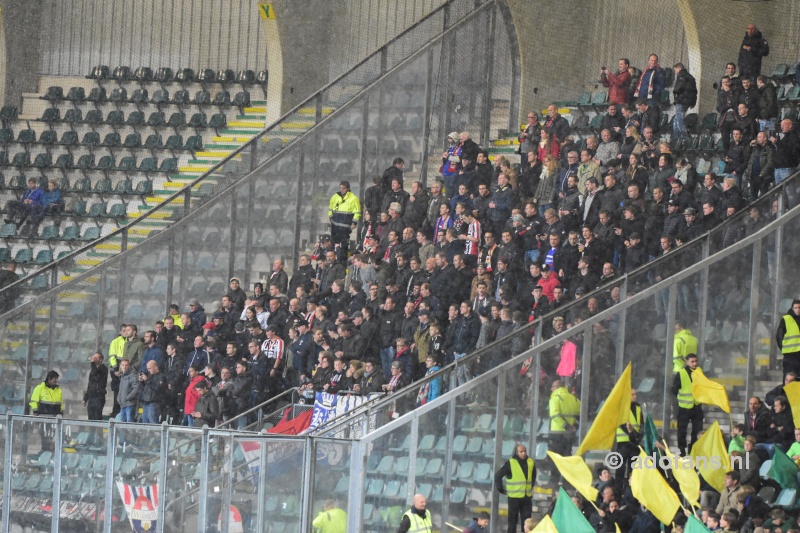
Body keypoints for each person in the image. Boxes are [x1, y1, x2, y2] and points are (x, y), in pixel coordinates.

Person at [495, 444, 535, 533]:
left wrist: (530, 487)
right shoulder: (511, 463)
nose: (523, 453)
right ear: (516, 452)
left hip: (526, 497)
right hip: (514, 498)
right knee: (512, 522)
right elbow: (498, 476)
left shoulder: (530, 462)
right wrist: (501, 489)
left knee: (527, 522)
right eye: (521, 452)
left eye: (525, 451)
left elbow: (533, 476)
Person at [672, 353, 703, 456]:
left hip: (697, 406)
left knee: (697, 430)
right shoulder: (681, 373)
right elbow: (674, 389)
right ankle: (682, 450)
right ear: (687, 362)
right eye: (692, 361)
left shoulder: (699, 372)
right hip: (684, 407)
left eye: (696, 361)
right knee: (682, 431)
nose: (694, 363)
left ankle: (693, 449)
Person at [29, 370, 63, 449]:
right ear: (49, 378)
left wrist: (61, 412)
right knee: (44, 437)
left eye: (56, 379)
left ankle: (47, 451)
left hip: (55, 418)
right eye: (54, 379)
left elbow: (61, 403)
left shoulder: (58, 390)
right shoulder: (40, 388)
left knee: (51, 437)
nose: (56, 381)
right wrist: (35, 412)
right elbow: (34, 401)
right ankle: (44, 450)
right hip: (43, 417)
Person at [549, 380, 580, 457]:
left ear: (557, 387)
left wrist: (567, 426)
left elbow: (555, 416)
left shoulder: (555, 398)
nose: (551, 389)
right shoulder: (575, 399)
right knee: (567, 455)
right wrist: (575, 426)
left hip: (557, 432)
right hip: (570, 434)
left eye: (552, 387)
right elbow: (580, 415)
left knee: (555, 458)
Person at [615, 389, 642, 479]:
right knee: (620, 468)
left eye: (635, 394)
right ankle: (619, 489)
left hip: (634, 443)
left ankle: (630, 489)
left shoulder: (638, 407)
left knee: (633, 469)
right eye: (632, 394)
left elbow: (641, 423)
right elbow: (622, 424)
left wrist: (638, 436)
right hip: (623, 442)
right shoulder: (621, 408)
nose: (635, 396)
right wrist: (634, 434)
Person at [328, 180, 361, 253]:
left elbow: (357, 212)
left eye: (344, 188)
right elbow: (330, 208)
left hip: (345, 227)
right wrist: (331, 218)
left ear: (348, 188)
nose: (342, 190)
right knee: (333, 246)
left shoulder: (353, 198)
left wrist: (354, 223)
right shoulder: (335, 196)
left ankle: (342, 262)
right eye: (340, 188)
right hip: (335, 226)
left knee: (344, 247)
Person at [672, 62, 697, 142]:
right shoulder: (691, 77)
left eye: (675, 70)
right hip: (688, 102)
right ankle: (676, 138)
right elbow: (694, 91)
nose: (675, 72)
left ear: (678, 68)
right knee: (676, 120)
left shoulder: (681, 76)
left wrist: (675, 92)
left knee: (679, 121)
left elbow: (678, 88)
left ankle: (685, 139)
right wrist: (693, 102)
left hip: (681, 100)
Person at [776, 299, 800, 377]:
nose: (798, 310)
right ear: (792, 308)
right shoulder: (786, 319)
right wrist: (784, 349)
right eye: (796, 308)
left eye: (799, 308)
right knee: (788, 378)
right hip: (790, 355)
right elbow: (779, 336)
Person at [83, 352, 108, 421]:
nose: (94, 359)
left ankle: (98, 432)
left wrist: (92, 363)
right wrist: (85, 398)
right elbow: (90, 384)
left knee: (97, 418)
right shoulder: (93, 370)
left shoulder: (104, 368)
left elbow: (96, 375)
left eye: (96, 358)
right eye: (93, 357)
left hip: (98, 397)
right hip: (91, 397)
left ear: (100, 360)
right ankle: (92, 432)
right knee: (90, 418)